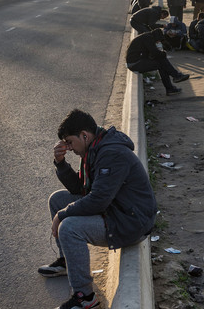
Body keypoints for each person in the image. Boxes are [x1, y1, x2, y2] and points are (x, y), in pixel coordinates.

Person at [39, 109, 157, 309]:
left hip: (131, 222)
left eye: (70, 142)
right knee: (58, 199)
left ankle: (85, 298)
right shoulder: (94, 147)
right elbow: (80, 189)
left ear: (84, 135)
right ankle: (68, 261)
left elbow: (98, 201)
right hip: (117, 209)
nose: (69, 148)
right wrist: (61, 164)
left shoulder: (111, 153)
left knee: (69, 227)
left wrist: (63, 214)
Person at [126, 29, 191, 95]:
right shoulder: (148, 38)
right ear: (156, 37)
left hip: (136, 62)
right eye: (158, 40)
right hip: (134, 63)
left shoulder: (147, 37)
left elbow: (150, 54)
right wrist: (164, 54)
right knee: (161, 63)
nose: (158, 42)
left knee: (161, 63)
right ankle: (174, 79)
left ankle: (173, 81)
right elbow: (155, 53)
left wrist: (160, 54)